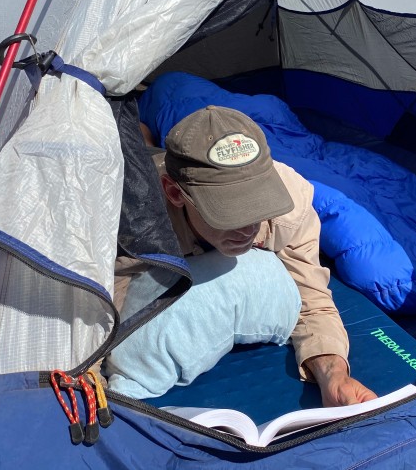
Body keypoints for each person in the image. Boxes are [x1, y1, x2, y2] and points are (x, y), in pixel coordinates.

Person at [148, 105, 375, 407]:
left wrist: (334, 375)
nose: (249, 228)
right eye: (230, 212)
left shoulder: (291, 202)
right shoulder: (137, 216)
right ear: (176, 194)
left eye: (259, 206)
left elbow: (311, 298)